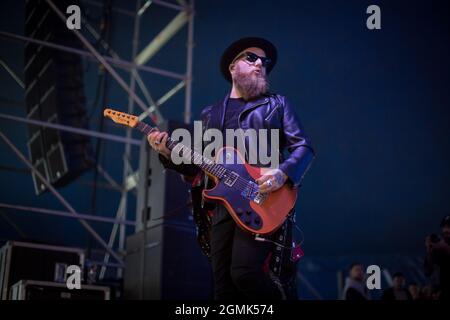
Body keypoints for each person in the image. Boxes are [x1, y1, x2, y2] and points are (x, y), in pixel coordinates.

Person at [147, 37, 315, 299]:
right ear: (233, 67)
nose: (260, 63)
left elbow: (303, 148)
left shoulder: (277, 104)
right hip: (222, 208)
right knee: (223, 288)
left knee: (244, 273)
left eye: (265, 61)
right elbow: (199, 170)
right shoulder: (210, 114)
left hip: (263, 200)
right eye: (252, 57)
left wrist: (282, 173)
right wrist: (167, 153)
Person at [424, 215, 450, 300]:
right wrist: (429, 252)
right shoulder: (437, 247)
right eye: (444, 227)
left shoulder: (443, 247)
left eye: (449, 227)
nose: (446, 230)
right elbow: (427, 272)